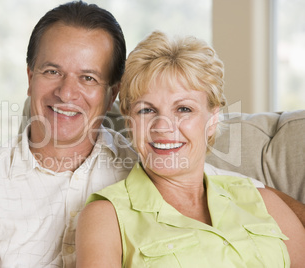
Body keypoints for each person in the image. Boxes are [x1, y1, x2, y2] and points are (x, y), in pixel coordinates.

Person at [0, 1, 304, 267]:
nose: (67, 93)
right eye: (52, 71)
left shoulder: (150, 162)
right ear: (30, 77)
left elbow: (234, 193)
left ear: (112, 94)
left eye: (88, 77)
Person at [76, 32, 305, 267]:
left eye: (183, 109)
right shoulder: (106, 216)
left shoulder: (264, 201)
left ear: (213, 119)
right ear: (129, 121)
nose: (163, 127)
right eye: (146, 110)